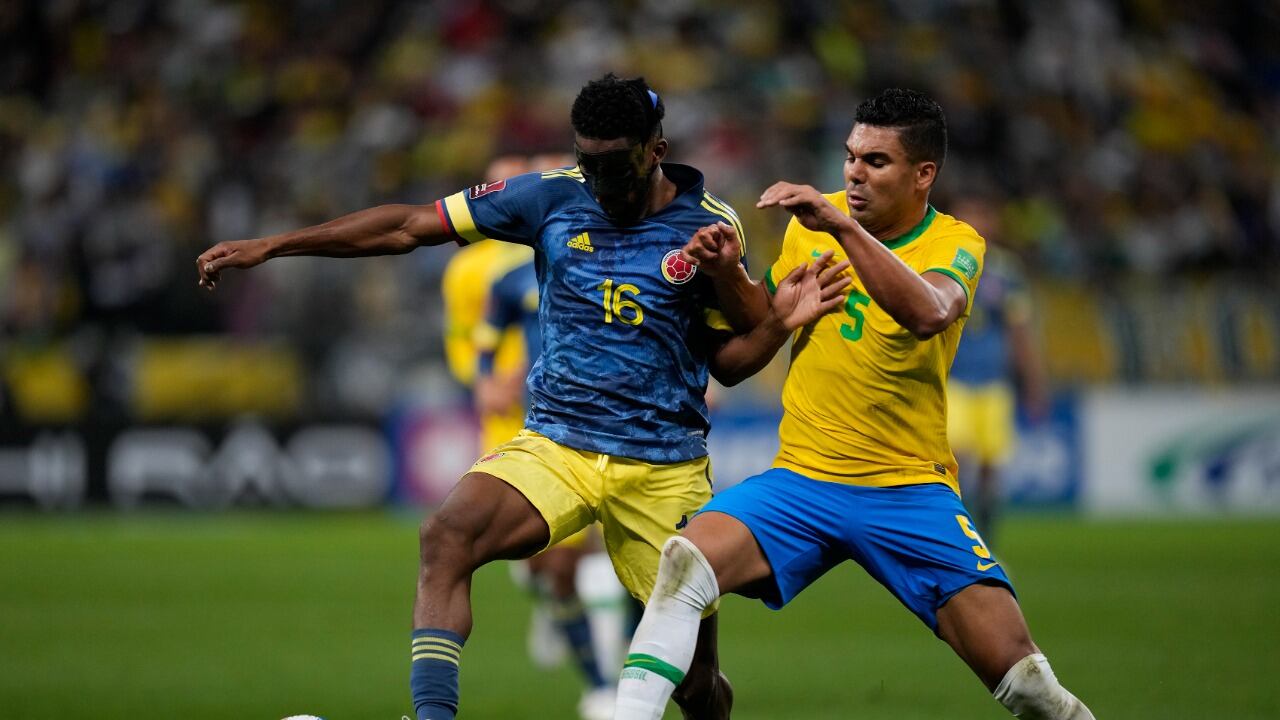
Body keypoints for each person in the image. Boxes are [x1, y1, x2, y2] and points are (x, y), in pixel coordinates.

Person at [196, 73, 850, 720]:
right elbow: (408, 226)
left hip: (662, 468)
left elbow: (733, 362)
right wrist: (273, 246)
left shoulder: (708, 225)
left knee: (697, 685)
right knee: (447, 536)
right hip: (556, 445)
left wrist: (730, 276)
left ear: (656, 150)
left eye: (614, 166)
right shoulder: (549, 198)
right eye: (585, 163)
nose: (598, 182)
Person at [612, 89, 1095, 720]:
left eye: (875, 162)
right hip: (802, 482)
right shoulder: (809, 227)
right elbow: (765, 318)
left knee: (1028, 683)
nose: (853, 174)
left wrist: (842, 226)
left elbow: (928, 312)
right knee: (683, 564)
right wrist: (731, 274)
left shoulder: (957, 242)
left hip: (908, 490)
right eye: (850, 157)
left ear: (924, 174)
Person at [441, 153, 619, 720]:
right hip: (515, 419)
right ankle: (557, 603)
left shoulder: (602, 248)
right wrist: (483, 379)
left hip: (591, 417)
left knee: (601, 552)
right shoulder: (480, 271)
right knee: (540, 560)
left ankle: (607, 682)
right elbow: (470, 341)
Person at [946, 195, 1048, 547]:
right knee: (954, 461)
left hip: (993, 383)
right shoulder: (944, 261)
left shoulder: (1006, 272)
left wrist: (1034, 386)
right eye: (969, 213)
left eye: (982, 214)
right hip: (952, 381)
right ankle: (953, 537)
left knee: (990, 466)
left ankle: (984, 542)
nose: (976, 222)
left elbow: (1020, 333)